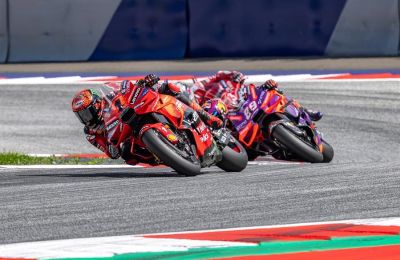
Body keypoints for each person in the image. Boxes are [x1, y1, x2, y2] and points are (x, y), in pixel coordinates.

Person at [71, 74, 223, 164]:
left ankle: (206, 116)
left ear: (96, 104)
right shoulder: (91, 133)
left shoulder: (109, 98)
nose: (86, 118)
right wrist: (107, 135)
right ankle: (164, 155)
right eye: (81, 116)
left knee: (167, 87)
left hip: (137, 109)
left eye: (87, 112)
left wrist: (144, 82)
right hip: (130, 135)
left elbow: (126, 89)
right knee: (127, 154)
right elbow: (112, 153)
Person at [193, 70, 322, 121]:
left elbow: (231, 74)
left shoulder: (221, 80)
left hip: (248, 98)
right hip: (233, 117)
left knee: (273, 90)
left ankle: (303, 111)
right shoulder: (202, 100)